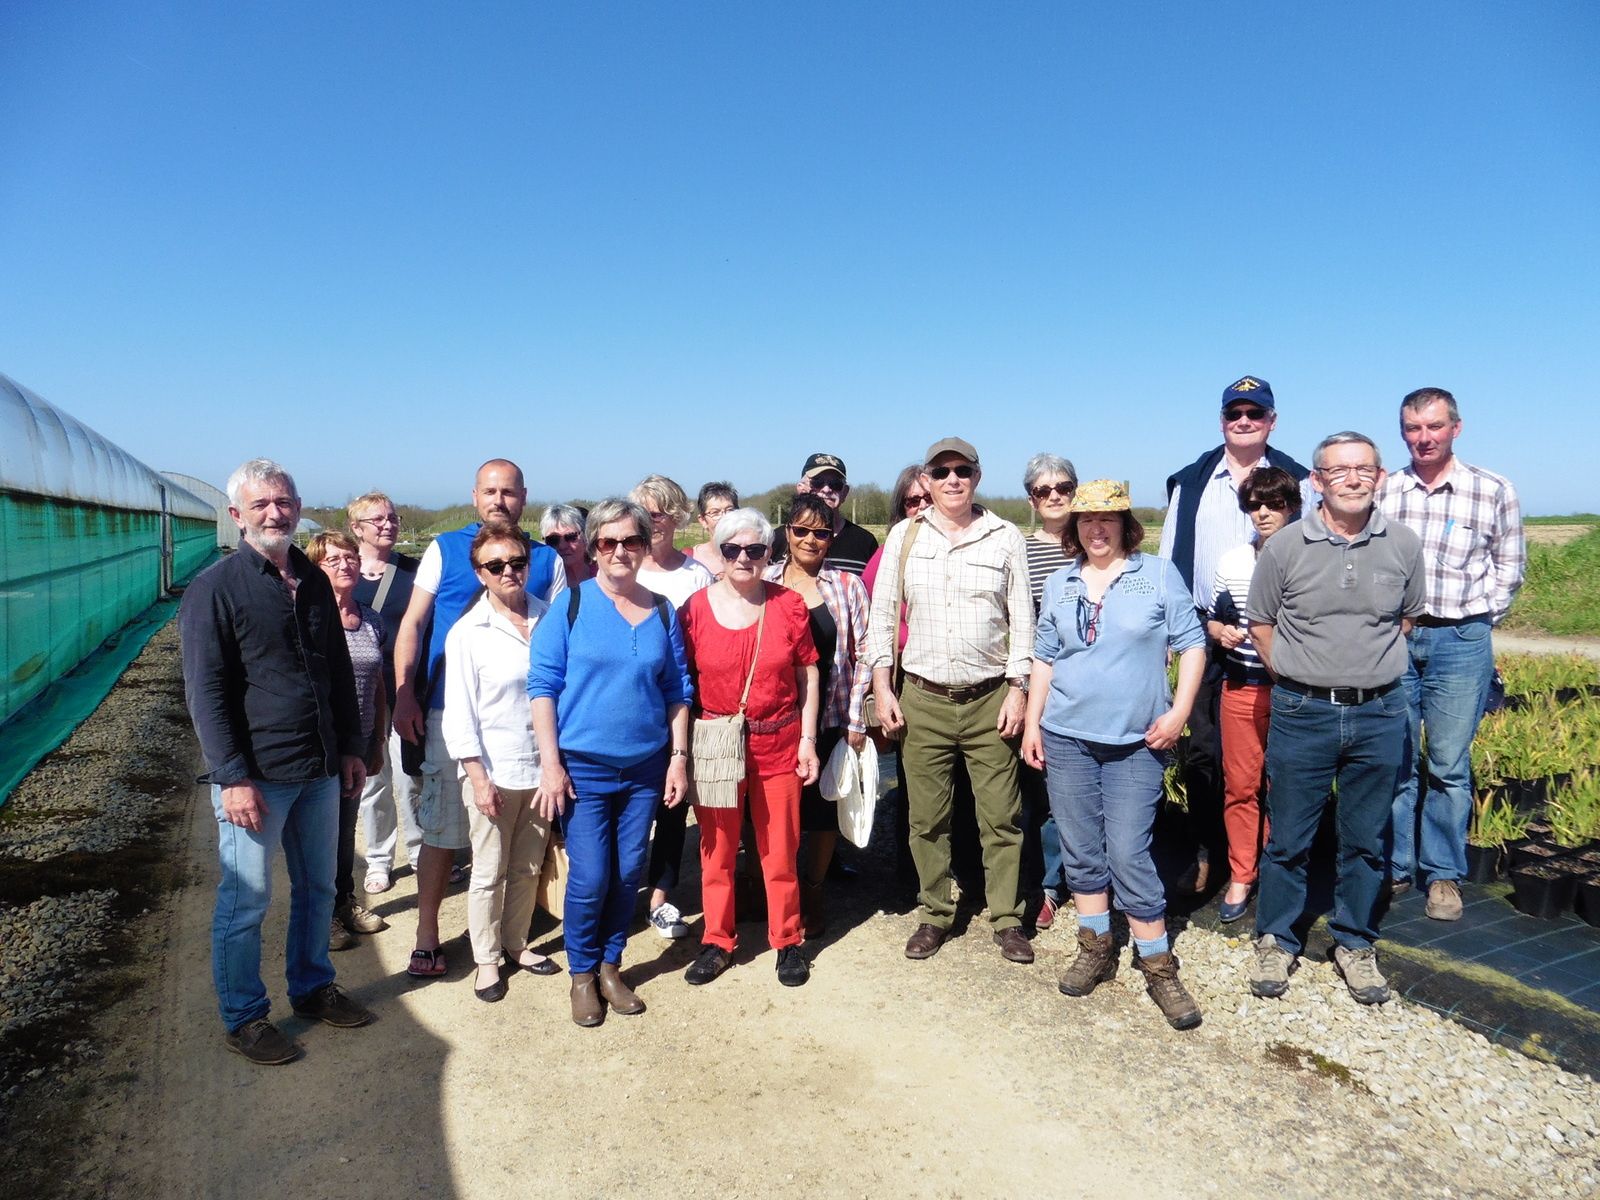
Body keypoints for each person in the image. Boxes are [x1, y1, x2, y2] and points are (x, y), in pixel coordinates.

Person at [180, 458, 372, 1065]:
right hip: (257, 776)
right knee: (247, 900)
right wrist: (231, 777)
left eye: (283, 502)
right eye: (260, 504)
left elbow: (336, 670)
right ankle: (244, 1016)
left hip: (318, 769)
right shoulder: (215, 589)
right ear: (237, 515)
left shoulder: (312, 580)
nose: (274, 513)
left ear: (297, 508)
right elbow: (206, 692)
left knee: (318, 886)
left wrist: (350, 747)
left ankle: (312, 987)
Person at [1246, 432, 1424, 1006]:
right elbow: (1261, 623)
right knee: (1289, 837)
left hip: (1379, 711)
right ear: (1317, 480)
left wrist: (1361, 668)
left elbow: (1406, 619)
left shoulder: (1403, 544)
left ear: (1380, 477)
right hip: (1303, 712)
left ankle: (1354, 941)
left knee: (1366, 838)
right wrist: (1296, 674)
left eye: (1363, 469)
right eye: (1339, 470)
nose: (1352, 479)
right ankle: (1276, 937)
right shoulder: (1285, 547)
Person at [1021, 480, 1207, 1029]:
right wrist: (1032, 724)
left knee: (1128, 853)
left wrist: (1179, 712)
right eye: (1086, 520)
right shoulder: (1059, 582)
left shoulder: (1157, 575)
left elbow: (1193, 644)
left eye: (1107, 519)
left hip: (1136, 743)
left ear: (1126, 525)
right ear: (1074, 528)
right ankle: (1096, 948)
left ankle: (1159, 966)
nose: (1096, 529)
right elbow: (1045, 658)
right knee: (1080, 850)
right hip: (1066, 736)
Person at [390, 459, 563, 981]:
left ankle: (514, 939)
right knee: (445, 831)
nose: (499, 500)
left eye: (508, 492)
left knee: (521, 852)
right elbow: (413, 622)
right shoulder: (445, 549)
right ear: (475, 496)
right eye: (490, 491)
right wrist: (404, 694)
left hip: (529, 727)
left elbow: (560, 640)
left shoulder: (546, 559)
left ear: (524, 497)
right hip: (455, 712)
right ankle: (427, 934)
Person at [867, 438, 1035, 966]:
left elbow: (1023, 620)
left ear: (977, 477)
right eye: (941, 472)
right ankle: (935, 913)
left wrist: (1019, 689)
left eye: (962, 470)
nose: (953, 480)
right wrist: (882, 687)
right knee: (926, 818)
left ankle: (1007, 918)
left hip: (990, 699)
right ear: (928, 480)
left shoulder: (1005, 536)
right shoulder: (905, 536)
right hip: (923, 698)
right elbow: (882, 617)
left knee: (1001, 818)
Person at [528, 499, 692, 1026]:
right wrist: (551, 765)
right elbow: (542, 687)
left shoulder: (662, 611)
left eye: (631, 541)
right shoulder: (571, 606)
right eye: (608, 541)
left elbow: (677, 690)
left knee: (626, 874)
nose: (620, 551)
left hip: (645, 768)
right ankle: (581, 974)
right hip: (584, 770)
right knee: (590, 876)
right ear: (594, 547)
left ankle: (610, 966)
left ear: (645, 546)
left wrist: (678, 759)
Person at [1158, 377, 1312, 895]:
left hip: (1281, 639)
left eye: (1255, 413)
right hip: (1204, 631)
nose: (1244, 421)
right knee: (1204, 751)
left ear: (1272, 420)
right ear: (1222, 420)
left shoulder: (1298, 480)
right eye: (1234, 413)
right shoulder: (1191, 481)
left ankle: (1271, 858)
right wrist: (1178, 632)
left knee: (1275, 755)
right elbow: (1168, 565)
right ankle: (1210, 852)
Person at [1378, 387, 1525, 920]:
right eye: (1413, 428)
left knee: (1447, 763)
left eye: (1434, 426)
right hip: (1394, 641)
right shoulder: (1386, 491)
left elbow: (1509, 567)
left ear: (1455, 428)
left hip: (1461, 642)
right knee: (1395, 759)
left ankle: (1442, 874)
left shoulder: (1491, 489)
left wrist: (1477, 621)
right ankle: (1395, 867)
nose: (1424, 438)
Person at [680, 508, 820, 988]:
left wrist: (807, 740)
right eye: (732, 549)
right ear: (719, 553)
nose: (743, 558)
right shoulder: (694, 610)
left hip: (778, 743)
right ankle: (717, 940)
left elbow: (807, 674)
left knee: (779, 851)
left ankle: (788, 939)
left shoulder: (789, 605)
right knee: (716, 850)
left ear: (768, 553)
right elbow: (681, 685)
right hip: (717, 746)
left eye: (754, 549)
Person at [442, 526, 557, 1003]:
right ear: (480, 573)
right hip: (492, 770)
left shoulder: (551, 617)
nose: (508, 571)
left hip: (542, 771)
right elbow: (459, 714)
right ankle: (486, 959)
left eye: (517, 562)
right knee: (489, 871)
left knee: (528, 866)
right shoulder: (468, 633)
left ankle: (516, 943)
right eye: (496, 565)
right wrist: (478, 778)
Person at [763, 492, 873, 935]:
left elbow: (865, 653)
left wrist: (855, 718)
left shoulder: (847, 586)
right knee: (772, 811)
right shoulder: (764, 579)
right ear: (786, 532)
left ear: (831, 539)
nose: (810, 540)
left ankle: (813, 889)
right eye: (802, 530)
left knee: (824, 809)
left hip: (830, 711)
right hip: (774, 717)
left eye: (821, 533)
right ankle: (775, 888)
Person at [1205, 466, 1301, 922]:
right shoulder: (1233, 561)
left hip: (1294, 692)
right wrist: (1219, 630)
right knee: (1241, 786)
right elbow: (1215, 615)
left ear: (1292, 507)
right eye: (1254, 505)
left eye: (1274, 504)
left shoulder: (1309, 557)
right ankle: (1243, 873)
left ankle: (1281, 870)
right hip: (1242, 686)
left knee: (1287, 787)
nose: (1263, 513)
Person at [629, 474, 715, 939]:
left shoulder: (696, 575)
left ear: (677, 518)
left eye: (659, 513)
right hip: (633, 707)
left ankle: (660, 897)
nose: (651, 522)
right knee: (628, 806)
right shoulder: (624, 567)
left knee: (672, 804)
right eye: (643, 514)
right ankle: (620, 893)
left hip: (682, 705)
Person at [305, 531, 391, 949]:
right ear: (315, 568)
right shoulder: (309, 620)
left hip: (359, 743)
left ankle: (343, 902)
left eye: (351, 557)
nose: (345, 565)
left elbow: (378, 684)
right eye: (333, 559)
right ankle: (320, 916)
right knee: (318, 834)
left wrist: (378, 740)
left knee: (344, 830)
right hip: (321, 745)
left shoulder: (371, 620)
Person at [347, 491, 424, 895]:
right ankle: (379, 858)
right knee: (374, 778)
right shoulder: (343, 571)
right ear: (356, 528)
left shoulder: (414, 571)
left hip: (406, 685)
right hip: (363, 690)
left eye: (392, 518)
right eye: (376, 519)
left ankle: (421, 852)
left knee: (412, 775)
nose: (387, 525)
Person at [1018, 453, 1077, 930]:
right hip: (1040, 686)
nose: (1054, 496)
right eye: (1044, 490)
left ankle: (1092, 878)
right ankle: (1049, 885)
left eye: (1063, 487)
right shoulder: (1019, 551)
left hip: (1090, 688)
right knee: (1040, 795)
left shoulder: (1095, 541)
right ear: (1032, 500)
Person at [786, 453, 879, 575]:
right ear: (801, 489)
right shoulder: (776, 540)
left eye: (835, 484)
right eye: (818, 482)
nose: (826, 489)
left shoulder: (866, 542)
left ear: (845, 492)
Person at [687, 482, 739, 575]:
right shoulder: (689, 559)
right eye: (715, 512)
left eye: (730, 510)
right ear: (703, 521)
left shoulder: (753, 556)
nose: (724, 517)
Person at [541, 503, 595, 589]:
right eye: (553, 540)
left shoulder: (604, 576)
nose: (562, 546)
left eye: (571, 537)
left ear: (585, 537)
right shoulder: (541, 583)